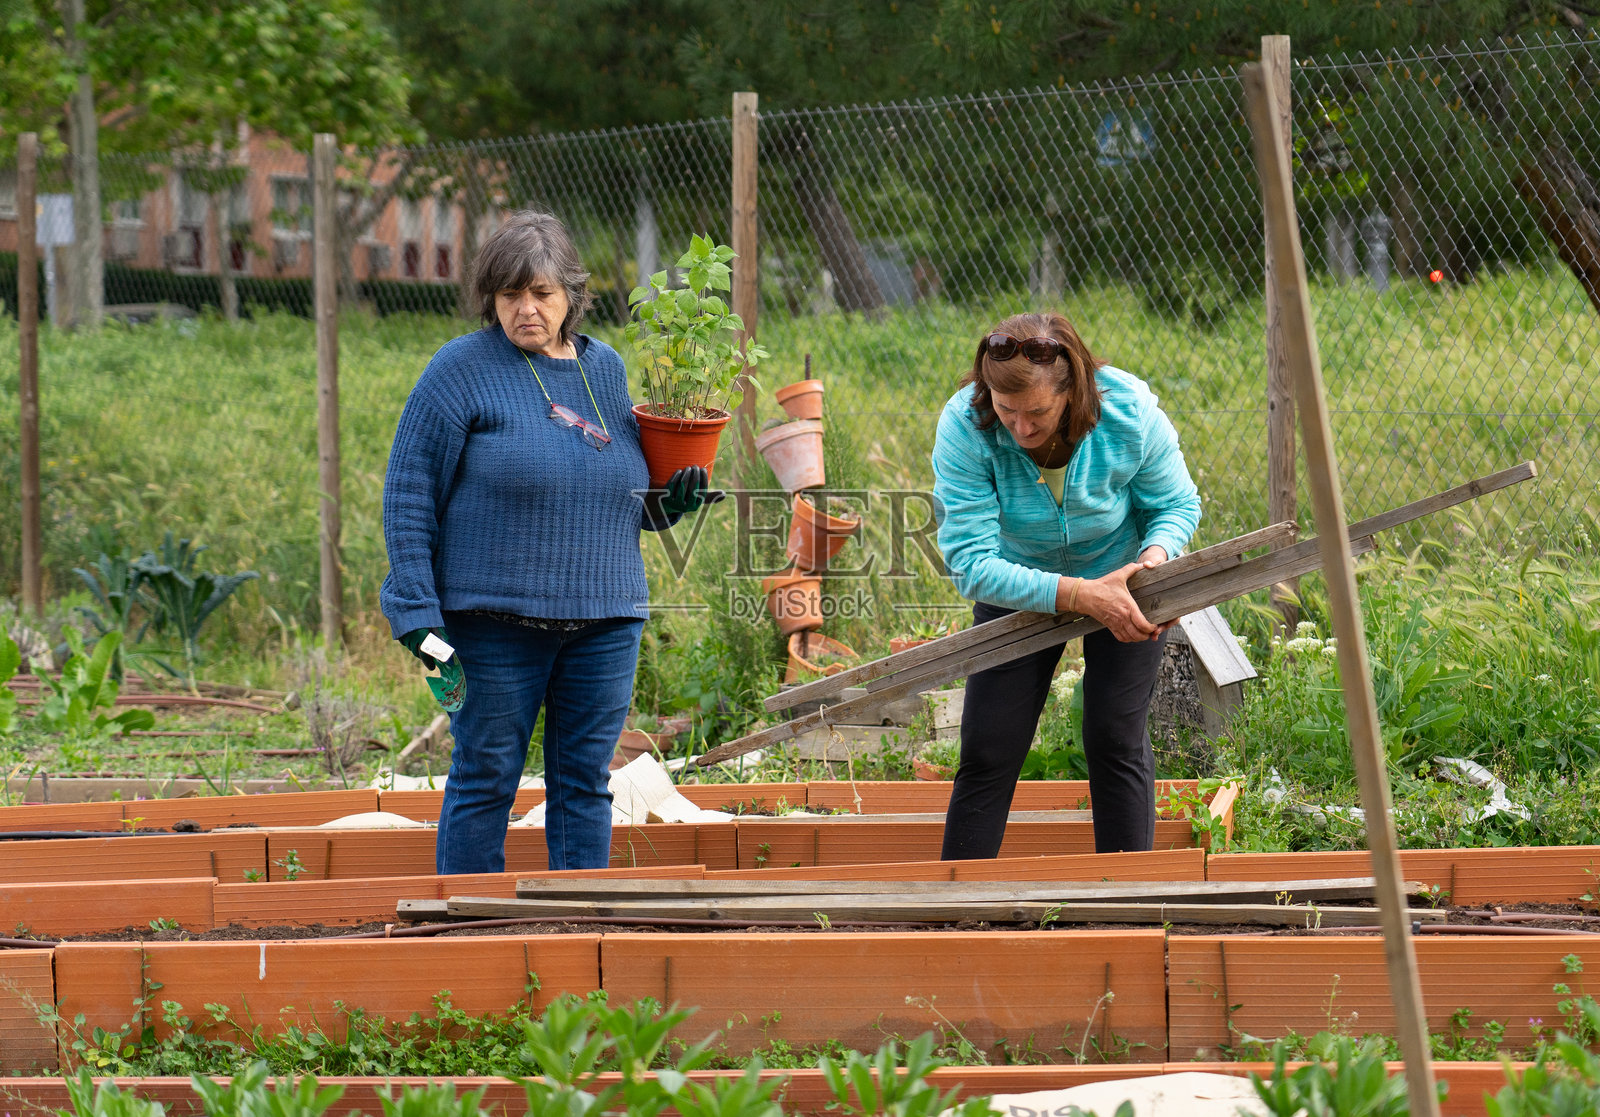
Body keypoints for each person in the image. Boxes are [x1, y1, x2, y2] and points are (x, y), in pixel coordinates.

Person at [380, 210, 716, 874]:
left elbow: (617, 494)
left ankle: (579, 934)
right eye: (510, 294)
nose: (526, 309)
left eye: (541, 293)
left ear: (570, 295)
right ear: (490, 297)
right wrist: (417, 613)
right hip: (493, 621)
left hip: (605, 618)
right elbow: (409, 489)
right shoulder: (461, 368)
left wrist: (666, 505)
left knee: (585, 783)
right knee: (485, 776)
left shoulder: (607, 370)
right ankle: (468, 939)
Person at [931, 311, 1201, 858]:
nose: (1021, 428)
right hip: (1017, 583)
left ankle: (1127, 906)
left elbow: (1175, 504)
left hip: (1123, 577)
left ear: (1072, 391)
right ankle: (958, 910)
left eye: (1037, 412)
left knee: (1114, 739)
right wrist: (1077, 593)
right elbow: (969, 562)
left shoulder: (1128, 411)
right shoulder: (965, 424)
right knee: (989, 747)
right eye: (1007, 410)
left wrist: (1152, 565)